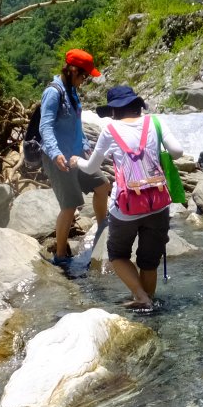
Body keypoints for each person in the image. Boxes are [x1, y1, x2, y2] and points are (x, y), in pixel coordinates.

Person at [71, 85, 183, 311]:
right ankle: (149, 308)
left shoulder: (110, 130)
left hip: (126, 207)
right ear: (137, 105)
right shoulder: (155, 122)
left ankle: (142, 297)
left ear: (113, 110)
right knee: (149, 262)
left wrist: (76, 161)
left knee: (118, 255)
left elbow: (92, 166)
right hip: (158, 204)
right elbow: (177, 152)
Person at [39, 49, 111, 267]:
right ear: (72, 70)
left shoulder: (71, 90)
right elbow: (45, 126)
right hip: (58, 158)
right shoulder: (53, 93)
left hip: (77, 155)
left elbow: (76, 125)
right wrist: (55, 153)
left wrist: (86, 147)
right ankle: (60, 256)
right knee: (70, 205)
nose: (85, 80)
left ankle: (102, 229)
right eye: (84, 76)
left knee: (103, 185)